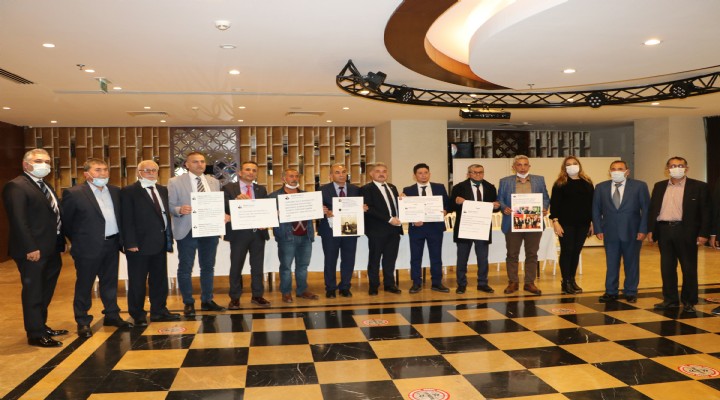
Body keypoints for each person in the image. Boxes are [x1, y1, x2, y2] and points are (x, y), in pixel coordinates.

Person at [3, 148, 67, 347]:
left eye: (47, 161)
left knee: (45, 289)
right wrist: (30, 247)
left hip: (51, 248)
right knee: (34, 291)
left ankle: (41, 325)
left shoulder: (44, 185)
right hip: (33, 250)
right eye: (39, 161)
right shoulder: (16, 186)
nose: (45, 165)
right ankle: (35, 333)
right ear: (26, 164)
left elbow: (53, 215)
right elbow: (18, 220)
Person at [62, 158, 132, 338]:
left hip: (112, 244)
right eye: (98, 170)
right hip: (87, 247)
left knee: (110, 282)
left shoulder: (115, 191)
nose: (103, 173)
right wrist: (80, 240)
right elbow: (67, 222)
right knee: (85, 284)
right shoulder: (74, 193)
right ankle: (83, 321)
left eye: (105, 170)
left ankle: (112, 315)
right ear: (86, 174)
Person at [121, 160, 180, 326]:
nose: (151, 173)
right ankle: (138, 314)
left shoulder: (162, 190)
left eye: (154, 170)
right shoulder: (129, 191)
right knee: (138, 282)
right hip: (138, 245)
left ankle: (159, 311)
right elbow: (126, 219)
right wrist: (130, 242)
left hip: (159, 243)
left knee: (159, 280)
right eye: (147, 170)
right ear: (139, 173)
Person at [648, 157, 710, 313]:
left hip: (686, 231)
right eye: (673, 166)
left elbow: (706, 211)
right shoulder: (659, 186)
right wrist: (651, 230)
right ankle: (670, 300)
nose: (677, 168)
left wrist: (704, 233)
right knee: (667, 267)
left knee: (689, 268)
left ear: (686, 168)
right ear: (667, 169)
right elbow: (653, 209)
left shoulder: (699, 186)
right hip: (664, 230)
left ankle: (689, 301)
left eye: (680, 165)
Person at [168, 151, 226, 317]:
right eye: (195, 162)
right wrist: (179, 209)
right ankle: (188, 302)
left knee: (208, 267)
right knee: (185, 267)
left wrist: (222, 214)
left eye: (202, 161)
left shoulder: (214, 181)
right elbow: (169, 205)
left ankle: (207, 300)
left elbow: (217, 205)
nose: (199, 164)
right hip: (188, 229)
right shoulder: (175, 182)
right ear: (187, 164)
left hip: (209, 229)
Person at [592, 160, 650, 303]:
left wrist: (643, 229)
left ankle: (630, 291)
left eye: (620, 169)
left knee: (631, 263)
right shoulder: (601, 187)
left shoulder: (639, 186)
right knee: (611, 263)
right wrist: (598, 228)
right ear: (609, 172)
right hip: (610, 232)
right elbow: (596, 210)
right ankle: (611, 291)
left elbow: (646, 209)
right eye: (613, 169)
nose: (616, 171)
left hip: (632, 232)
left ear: (627, 171)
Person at [497, 155, 550, 295]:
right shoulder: (505, 181)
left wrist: (544, 208)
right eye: (519, 164)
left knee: (532, 253)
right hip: (512, 222)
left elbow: (545, 197)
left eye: (525, 164)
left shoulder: (539, 180)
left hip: (533, 222)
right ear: (514, 167)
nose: (522, 167)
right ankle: (513, 282)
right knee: (512, 254)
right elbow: (500, 199)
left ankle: (529, 283)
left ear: (529, 166)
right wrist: (504, 208)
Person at [222, 160, 271, 308]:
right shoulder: (229, 188)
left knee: (257, 267)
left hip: (258, 233)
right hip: (239, 234)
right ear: (240, 172)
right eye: (248, 169)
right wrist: (236, 201)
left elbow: (265, 209)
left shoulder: (261, 189)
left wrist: (266, 220)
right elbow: (224, 207)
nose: (251, 172)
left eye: (254, 170)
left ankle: (257, 295)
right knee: (236, 266)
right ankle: (235, 297)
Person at [269, 168, 319, 303]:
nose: (294, 179)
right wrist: (275, 214)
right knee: (286, 266)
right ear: (283, 179)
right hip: (286, 237)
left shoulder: (306, 196)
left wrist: (319, 209)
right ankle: (286, 292)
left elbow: (313, 212)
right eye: (291, 176)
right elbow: (267, 216)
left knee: (303, 265)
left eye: (296, 176)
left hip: (306, 236)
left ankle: (302, 290)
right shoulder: (274, 197)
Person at [450, 164, 500, 294]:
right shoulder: (458, 187)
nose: (478, 175)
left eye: (480, 172)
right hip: (465, 228)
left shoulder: (490, 187)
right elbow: (450, 206)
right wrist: (456, 201)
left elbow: (495, 207)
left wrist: (496, 206)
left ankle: (483, 283)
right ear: (469, 174)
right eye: (475, 172)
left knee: (483, 258)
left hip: (482, 227)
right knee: (462, 258)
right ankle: (461, 284)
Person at [402, 163, 451, 293]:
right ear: (415, 176)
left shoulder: (439, 187)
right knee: (415, 257)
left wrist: (445, 211)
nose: (423, 175)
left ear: (429, 174)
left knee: (436, 256)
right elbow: (405, 210)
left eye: (426, 172)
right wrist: (412, 219)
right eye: (420, 173)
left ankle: (437, 283)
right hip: (416, 228)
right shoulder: (408, 190)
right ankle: (416, 283)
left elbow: (448, 203)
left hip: (435, 228)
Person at [549, 156, 594, 295]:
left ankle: (572, 279)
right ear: (564, 167)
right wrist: (555, 222)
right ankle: (566, 281)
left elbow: (592, 203)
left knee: (576, 251)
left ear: (579, 165)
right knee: (567, 251)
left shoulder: (587, 182)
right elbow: (554, 204)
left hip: (583, 223)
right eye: (568, 164)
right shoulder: (560, 183)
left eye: (574, 163)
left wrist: (592, 222)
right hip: (565, 223)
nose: (572, 166)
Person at [318, 163, 361, 298]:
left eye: (343, 172)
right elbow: (317, 208)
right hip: (330, 230)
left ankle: (345, 287)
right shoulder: (322, 190)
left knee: (348, 259)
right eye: (337, 172)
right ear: (331, 175)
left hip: (351, 228)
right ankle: (330, 288)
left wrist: (363, 208)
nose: (341, 175)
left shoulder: (356, 189)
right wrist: (324, 211)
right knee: (330, 259)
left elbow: (360, 206)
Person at [362, 162, 403, 295]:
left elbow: (395, 206)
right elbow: (370, 209)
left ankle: (389, 284)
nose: (381, 174)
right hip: (376, 230)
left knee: (390, 259)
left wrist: (403, 201)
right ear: (371, 174)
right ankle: (373, 286)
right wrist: (390, 219)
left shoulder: (392, 187)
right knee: (375, 259)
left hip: (394, 230)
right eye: (378, 171)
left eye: (384, 171)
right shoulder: (366, 189)